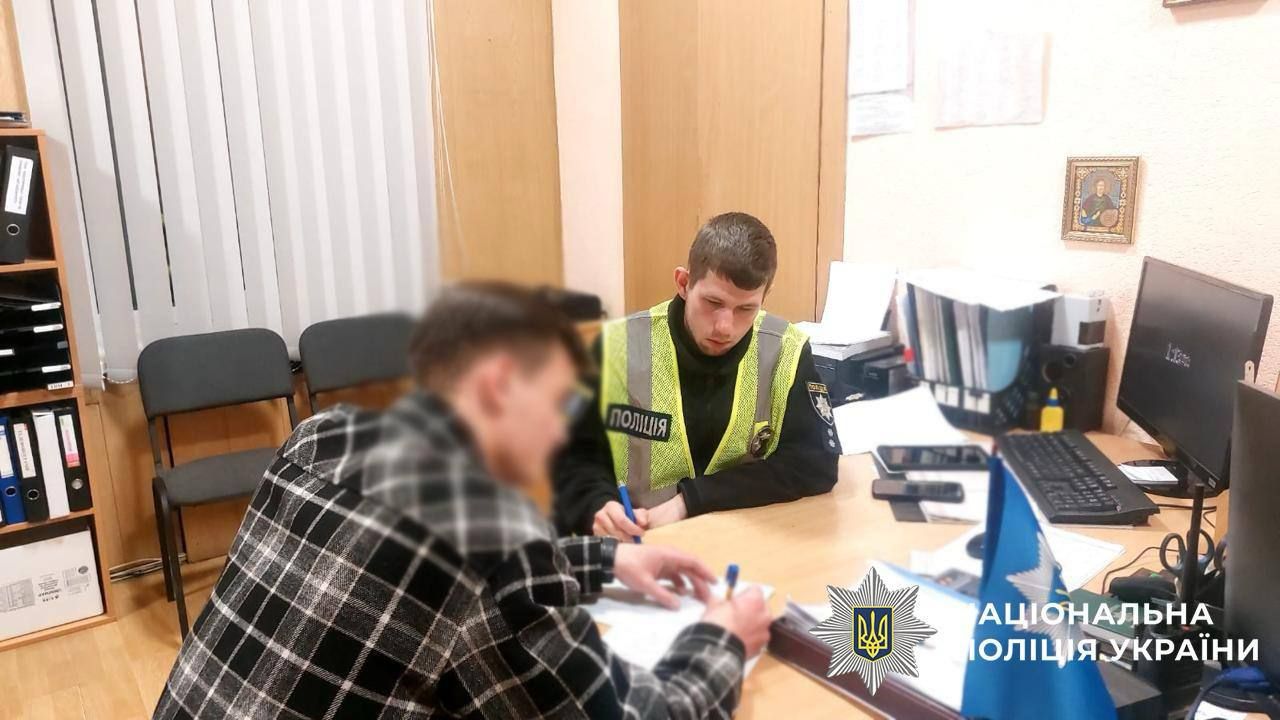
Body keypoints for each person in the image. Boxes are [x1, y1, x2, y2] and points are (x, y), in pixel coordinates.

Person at [153, 282, 772, 719]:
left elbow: (435, 569)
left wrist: (605, 560)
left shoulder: (319, 436)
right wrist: (722, 640)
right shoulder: (490, 535)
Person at [554, 212, 840, 541]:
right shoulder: (617, 347)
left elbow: (816, 464)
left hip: (742, 543)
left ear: (765, 296)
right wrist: (596, 504)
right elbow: (568, 455)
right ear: (683, 283)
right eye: (713, 302)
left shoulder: (786, 351)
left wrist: (690, 501)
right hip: (635, 544)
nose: (725, 327)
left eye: (746, 309)